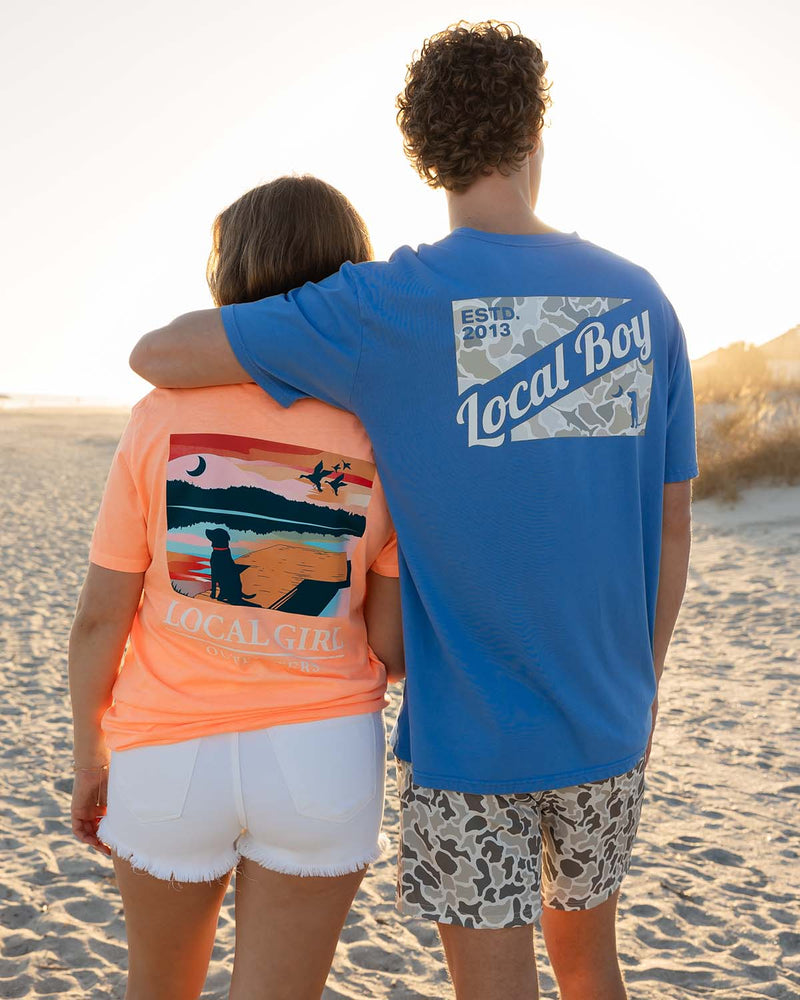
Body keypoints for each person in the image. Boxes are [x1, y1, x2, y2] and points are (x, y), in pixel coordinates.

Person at [129, 21, 697, 1000]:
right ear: (533, 137)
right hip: (608, 718)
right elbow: (669, 530)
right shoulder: (637, 303)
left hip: (468, 738)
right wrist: (639, 685)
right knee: (589, 966)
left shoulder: (383, 305)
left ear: (425, 153)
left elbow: (160, 353)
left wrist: (287, 337)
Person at [69, 175, 404, 1000]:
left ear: (232, 275)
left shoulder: (159, 413)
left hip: (166, 752)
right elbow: (390, 648)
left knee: (158, 989)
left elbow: (100, 618)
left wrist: (90, 755)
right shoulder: (380, 425)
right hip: (323, 758)